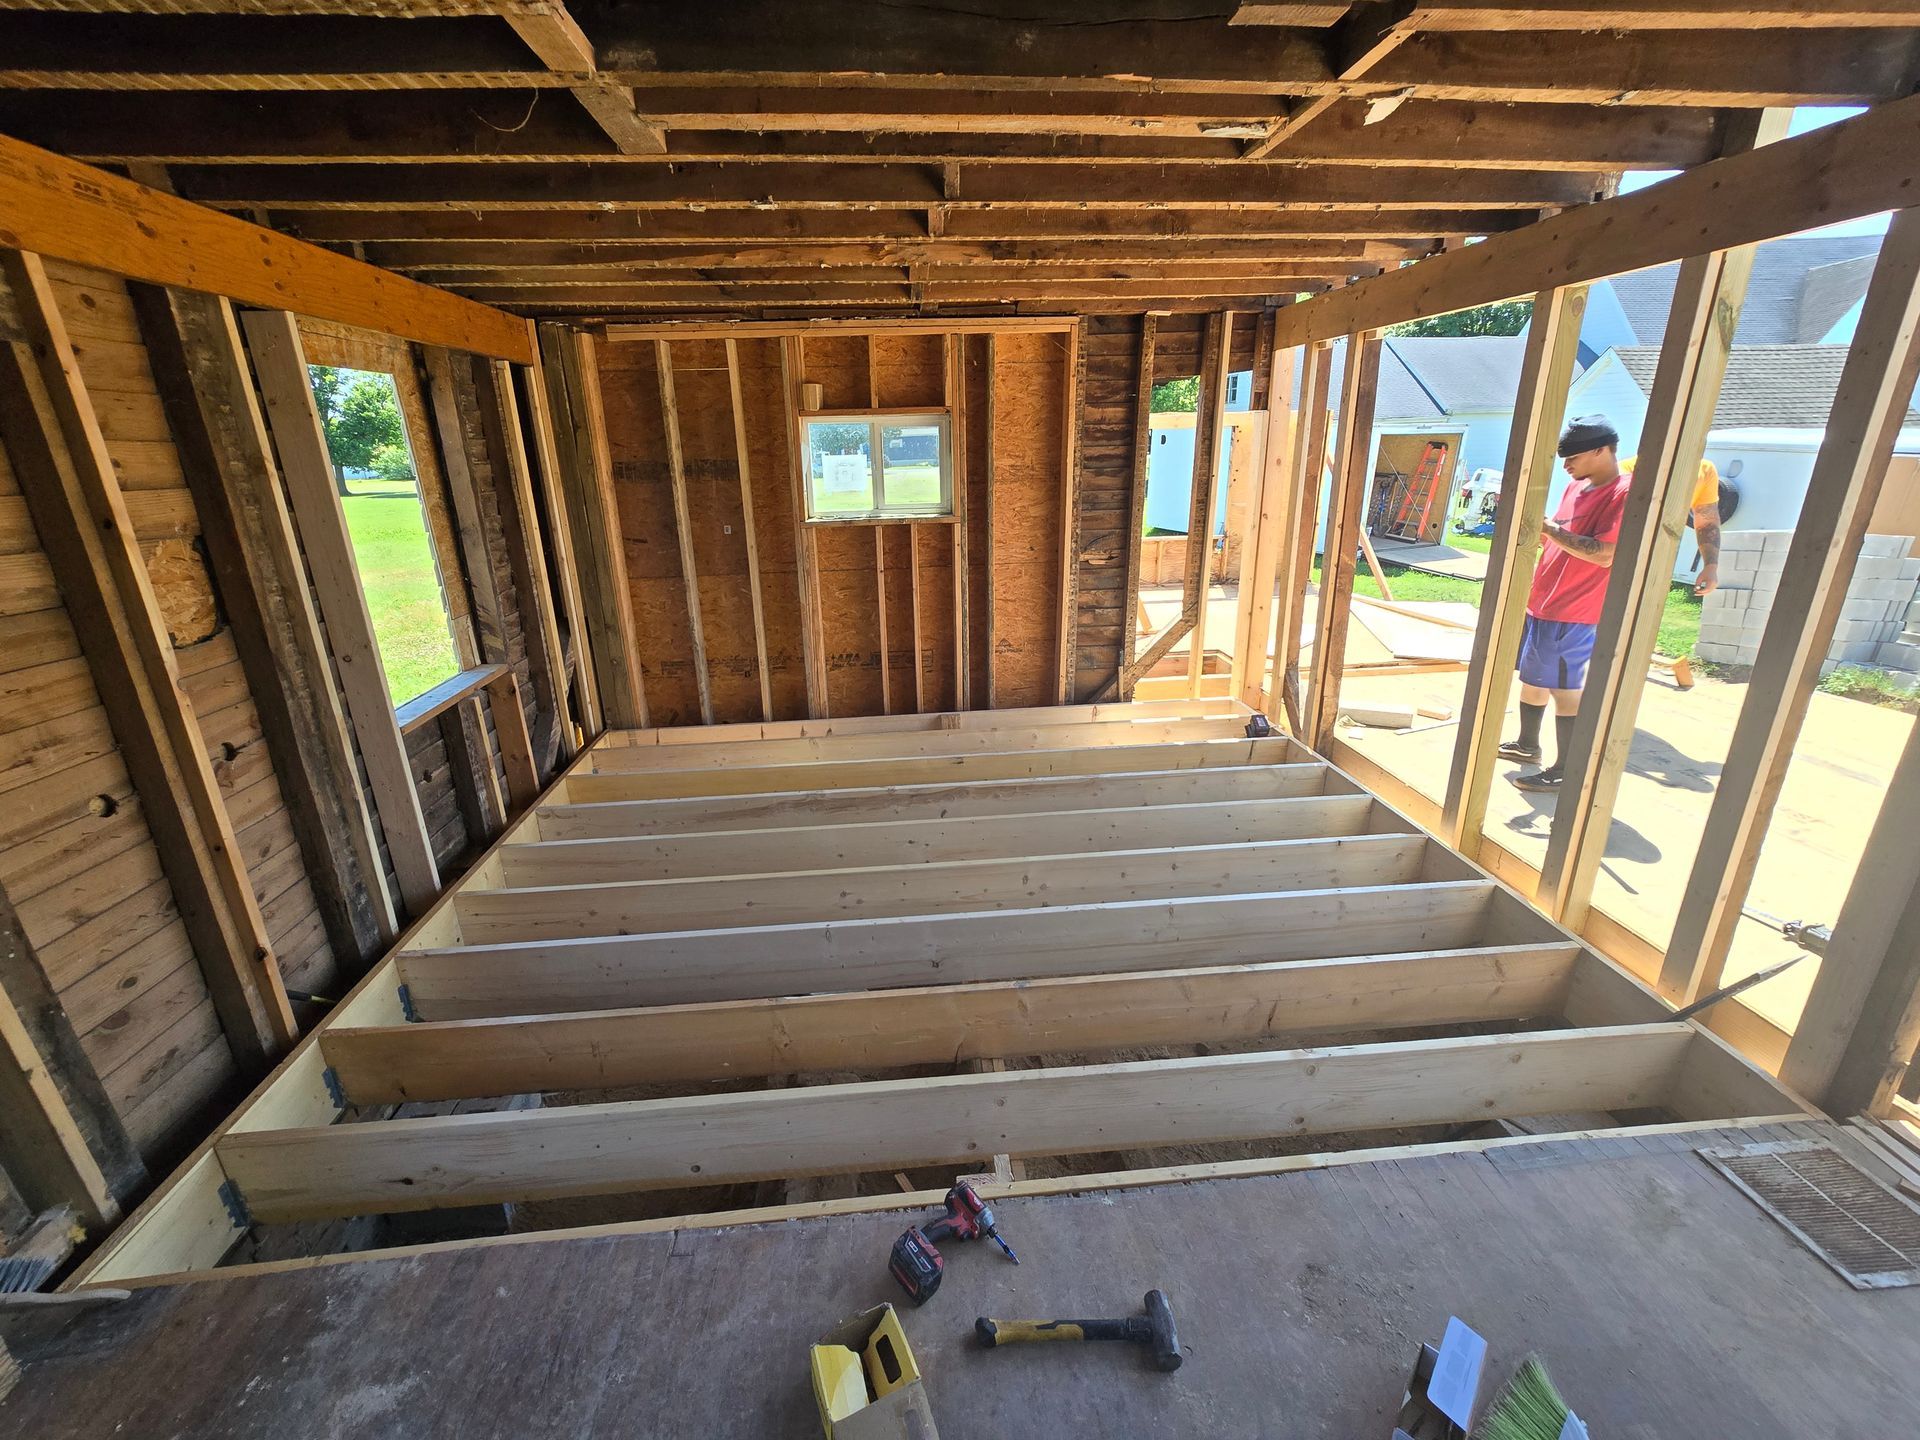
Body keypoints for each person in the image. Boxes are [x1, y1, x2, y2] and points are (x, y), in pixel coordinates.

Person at [1500, 414, 1633, 794]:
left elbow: (1604, 554)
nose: (1566, 464)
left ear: (1602, 450)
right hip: (1544, 603)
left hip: (1574, 611)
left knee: (1565, 689)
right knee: (1533, 678)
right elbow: (1557, 537)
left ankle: (1566, 769)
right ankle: (1528, 745)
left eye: (1573, 455)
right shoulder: (1578, 488)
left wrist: (1548, 529)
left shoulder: (1622, 493)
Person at [1621, 453, 1723, 596]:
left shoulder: (1704, 470)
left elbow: (1707, 522)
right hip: (1620, 556)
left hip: (1658, 562)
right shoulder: (1628, 470)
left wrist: (1711, 566)